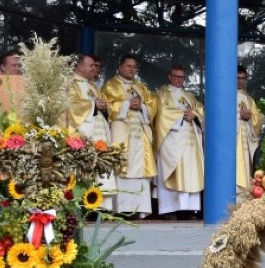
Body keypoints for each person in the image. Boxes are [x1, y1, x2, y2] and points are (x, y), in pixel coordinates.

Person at [102, 55, 158, 218]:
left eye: (134, 67)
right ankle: (121, 208)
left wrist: (141, 106)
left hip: (139, 133)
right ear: (120, 67)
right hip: (121, 130)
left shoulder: (141, 87)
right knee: (123, 164)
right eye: (128, 66)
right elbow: (107, 104)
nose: (132, 69)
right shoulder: (111, 85)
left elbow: (153, 105)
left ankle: (141, 208)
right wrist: (127, 104)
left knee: (140, 166)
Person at [152, 64, 205, 219]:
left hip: (190, 142)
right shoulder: (162, 94)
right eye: (176, 76)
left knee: (190, 174)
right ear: (169, 76)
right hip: (172, 141)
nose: (179, 80)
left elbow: (200, 109)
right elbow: (161, 113)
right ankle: (169, 210)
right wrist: (182, 115)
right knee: (172, 172)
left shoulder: (189, 96)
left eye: (182, 77)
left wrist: (194, 115)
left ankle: (188, 210)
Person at [66, 53, 115, 210]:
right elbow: (71, 107)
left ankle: (103, 206)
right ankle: (85, 204)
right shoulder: (70, 83)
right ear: (79, 66)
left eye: (95, 65)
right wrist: (94, 105)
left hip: (100, 132)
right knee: (87, 167)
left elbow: (103, 106)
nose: (94, 68)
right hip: (86, 132)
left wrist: (103, 106)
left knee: (102, 165)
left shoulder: (93, 86)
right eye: (91, 65)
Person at [236, 65, 264, 198]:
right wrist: (238, 115)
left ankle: (244, 198)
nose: (241, 81)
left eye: (243, 78)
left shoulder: (249, 99)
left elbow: (256, 120)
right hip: (233, 141)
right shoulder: (225, 96)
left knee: (246, 168)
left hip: (246, 139)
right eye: (238, 78)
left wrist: (251, 117)